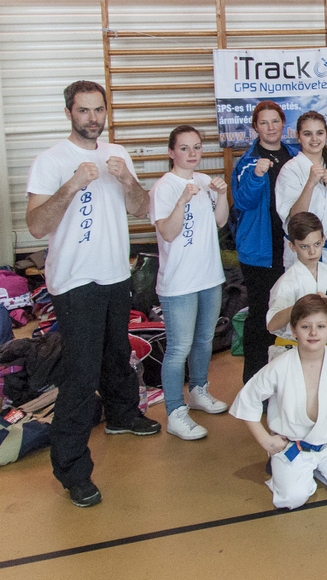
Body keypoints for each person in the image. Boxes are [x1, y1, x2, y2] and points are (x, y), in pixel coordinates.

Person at [26, 80, 159, 507]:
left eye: (98, 109)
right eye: (83, 110)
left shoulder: (116, 153)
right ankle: (72, 470)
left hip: (115, 274)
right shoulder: (51, 161)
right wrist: (71, 185)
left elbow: (140, 207)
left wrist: (126, 179)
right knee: (81, 376)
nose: (92, 118)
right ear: (69, 112)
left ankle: (122, 414)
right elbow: (36, 226)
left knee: (117, 354)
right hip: (74, 282)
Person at [230, 295, 327, 509]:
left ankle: (318, 469)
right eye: (305, 326)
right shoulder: (280, 366)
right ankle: (294, 469)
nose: (313, 333)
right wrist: (266, 441)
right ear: (293, 330)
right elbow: (247, 399)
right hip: (292, 444)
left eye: (320, 326)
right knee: (292, 498)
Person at [150, 125, 230, 441]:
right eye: (184, 148)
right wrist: (182, 200)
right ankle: (174, 412)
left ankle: (198, 390)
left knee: (204, 340)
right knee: (178, 348)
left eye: (197, 147)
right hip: (179, 283)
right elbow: (168, 232)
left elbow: (221, 221)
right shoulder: (164, 187)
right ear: (172, 152)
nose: (192, 153)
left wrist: (221, 194)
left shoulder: (204, 180)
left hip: (209, 276)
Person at [232, 100, 299, 382]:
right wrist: (257, 175)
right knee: (261, 316)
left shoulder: (295, 155)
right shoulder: (247, 162)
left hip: (290, 247)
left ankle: (285, 381)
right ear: (255, 128)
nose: (270, 127)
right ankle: (254, 383)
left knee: (291, 313)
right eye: (264, 122)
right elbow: (242, 202)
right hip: (260, 250)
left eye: (275, 121)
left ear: (283, 124)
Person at [266, 213, 327, 346]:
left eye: (317, 244)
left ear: (323, 240)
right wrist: (301, 307)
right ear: (292, 246)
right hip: (293, 348)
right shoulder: (287, 282)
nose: (312, 252)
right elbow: (272, 325)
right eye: (304, 246)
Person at [275, 111, 327, 269]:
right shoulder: (290, 170)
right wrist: (310, 184)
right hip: (304, 252)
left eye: (319, 133)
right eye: (307, 134)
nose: (314, 139)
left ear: (326, 134)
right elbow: (295, 218)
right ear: (298, 136)